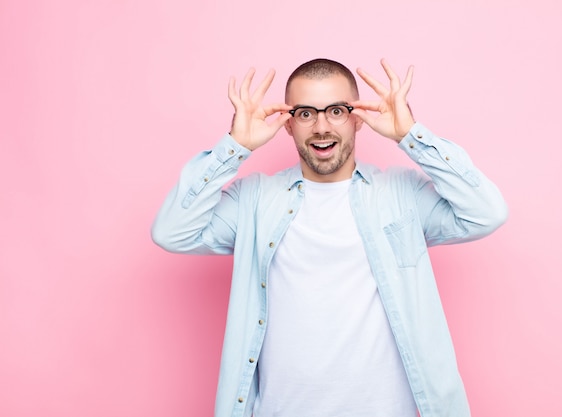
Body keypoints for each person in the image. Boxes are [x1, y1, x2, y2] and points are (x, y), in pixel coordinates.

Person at [151, 58, 508, 417]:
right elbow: (172, 231)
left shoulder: (401, 194)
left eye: (336, 111)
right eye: (305, 113)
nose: (321, 127)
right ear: (288, 124)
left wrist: (411, 136)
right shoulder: (255, 201)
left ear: (357, 117)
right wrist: (234, 147)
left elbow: (486, 212)